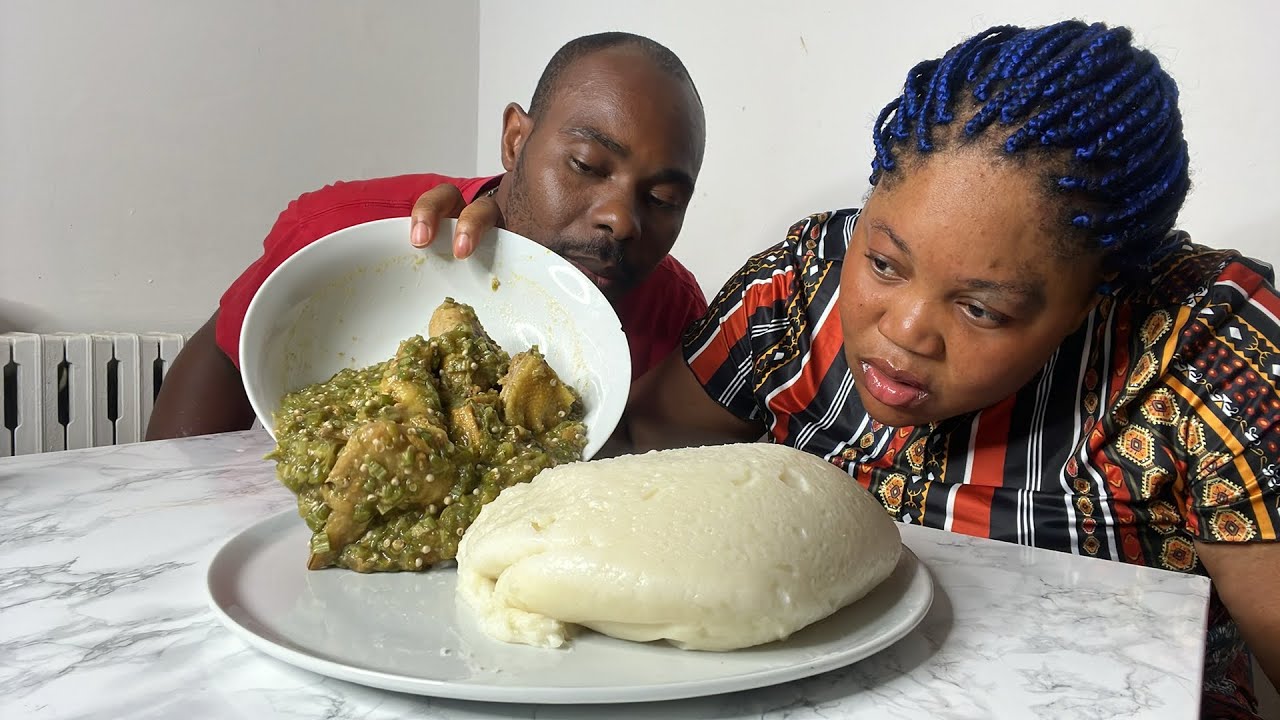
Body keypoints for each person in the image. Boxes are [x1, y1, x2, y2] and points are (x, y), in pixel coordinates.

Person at [622, 20, 1279, 719]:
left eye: (981, 310)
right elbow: (643, 443)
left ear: (1097, 293)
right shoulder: (796, 291)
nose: (904, 331)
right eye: (883, 263)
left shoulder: (1201, 350)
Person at [146, 31, 708, 440]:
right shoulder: (347, 232)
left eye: (663, 200)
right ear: (515, 140)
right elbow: (226, 352)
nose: (623, 219)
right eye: (587, 164)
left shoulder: (678, 316)